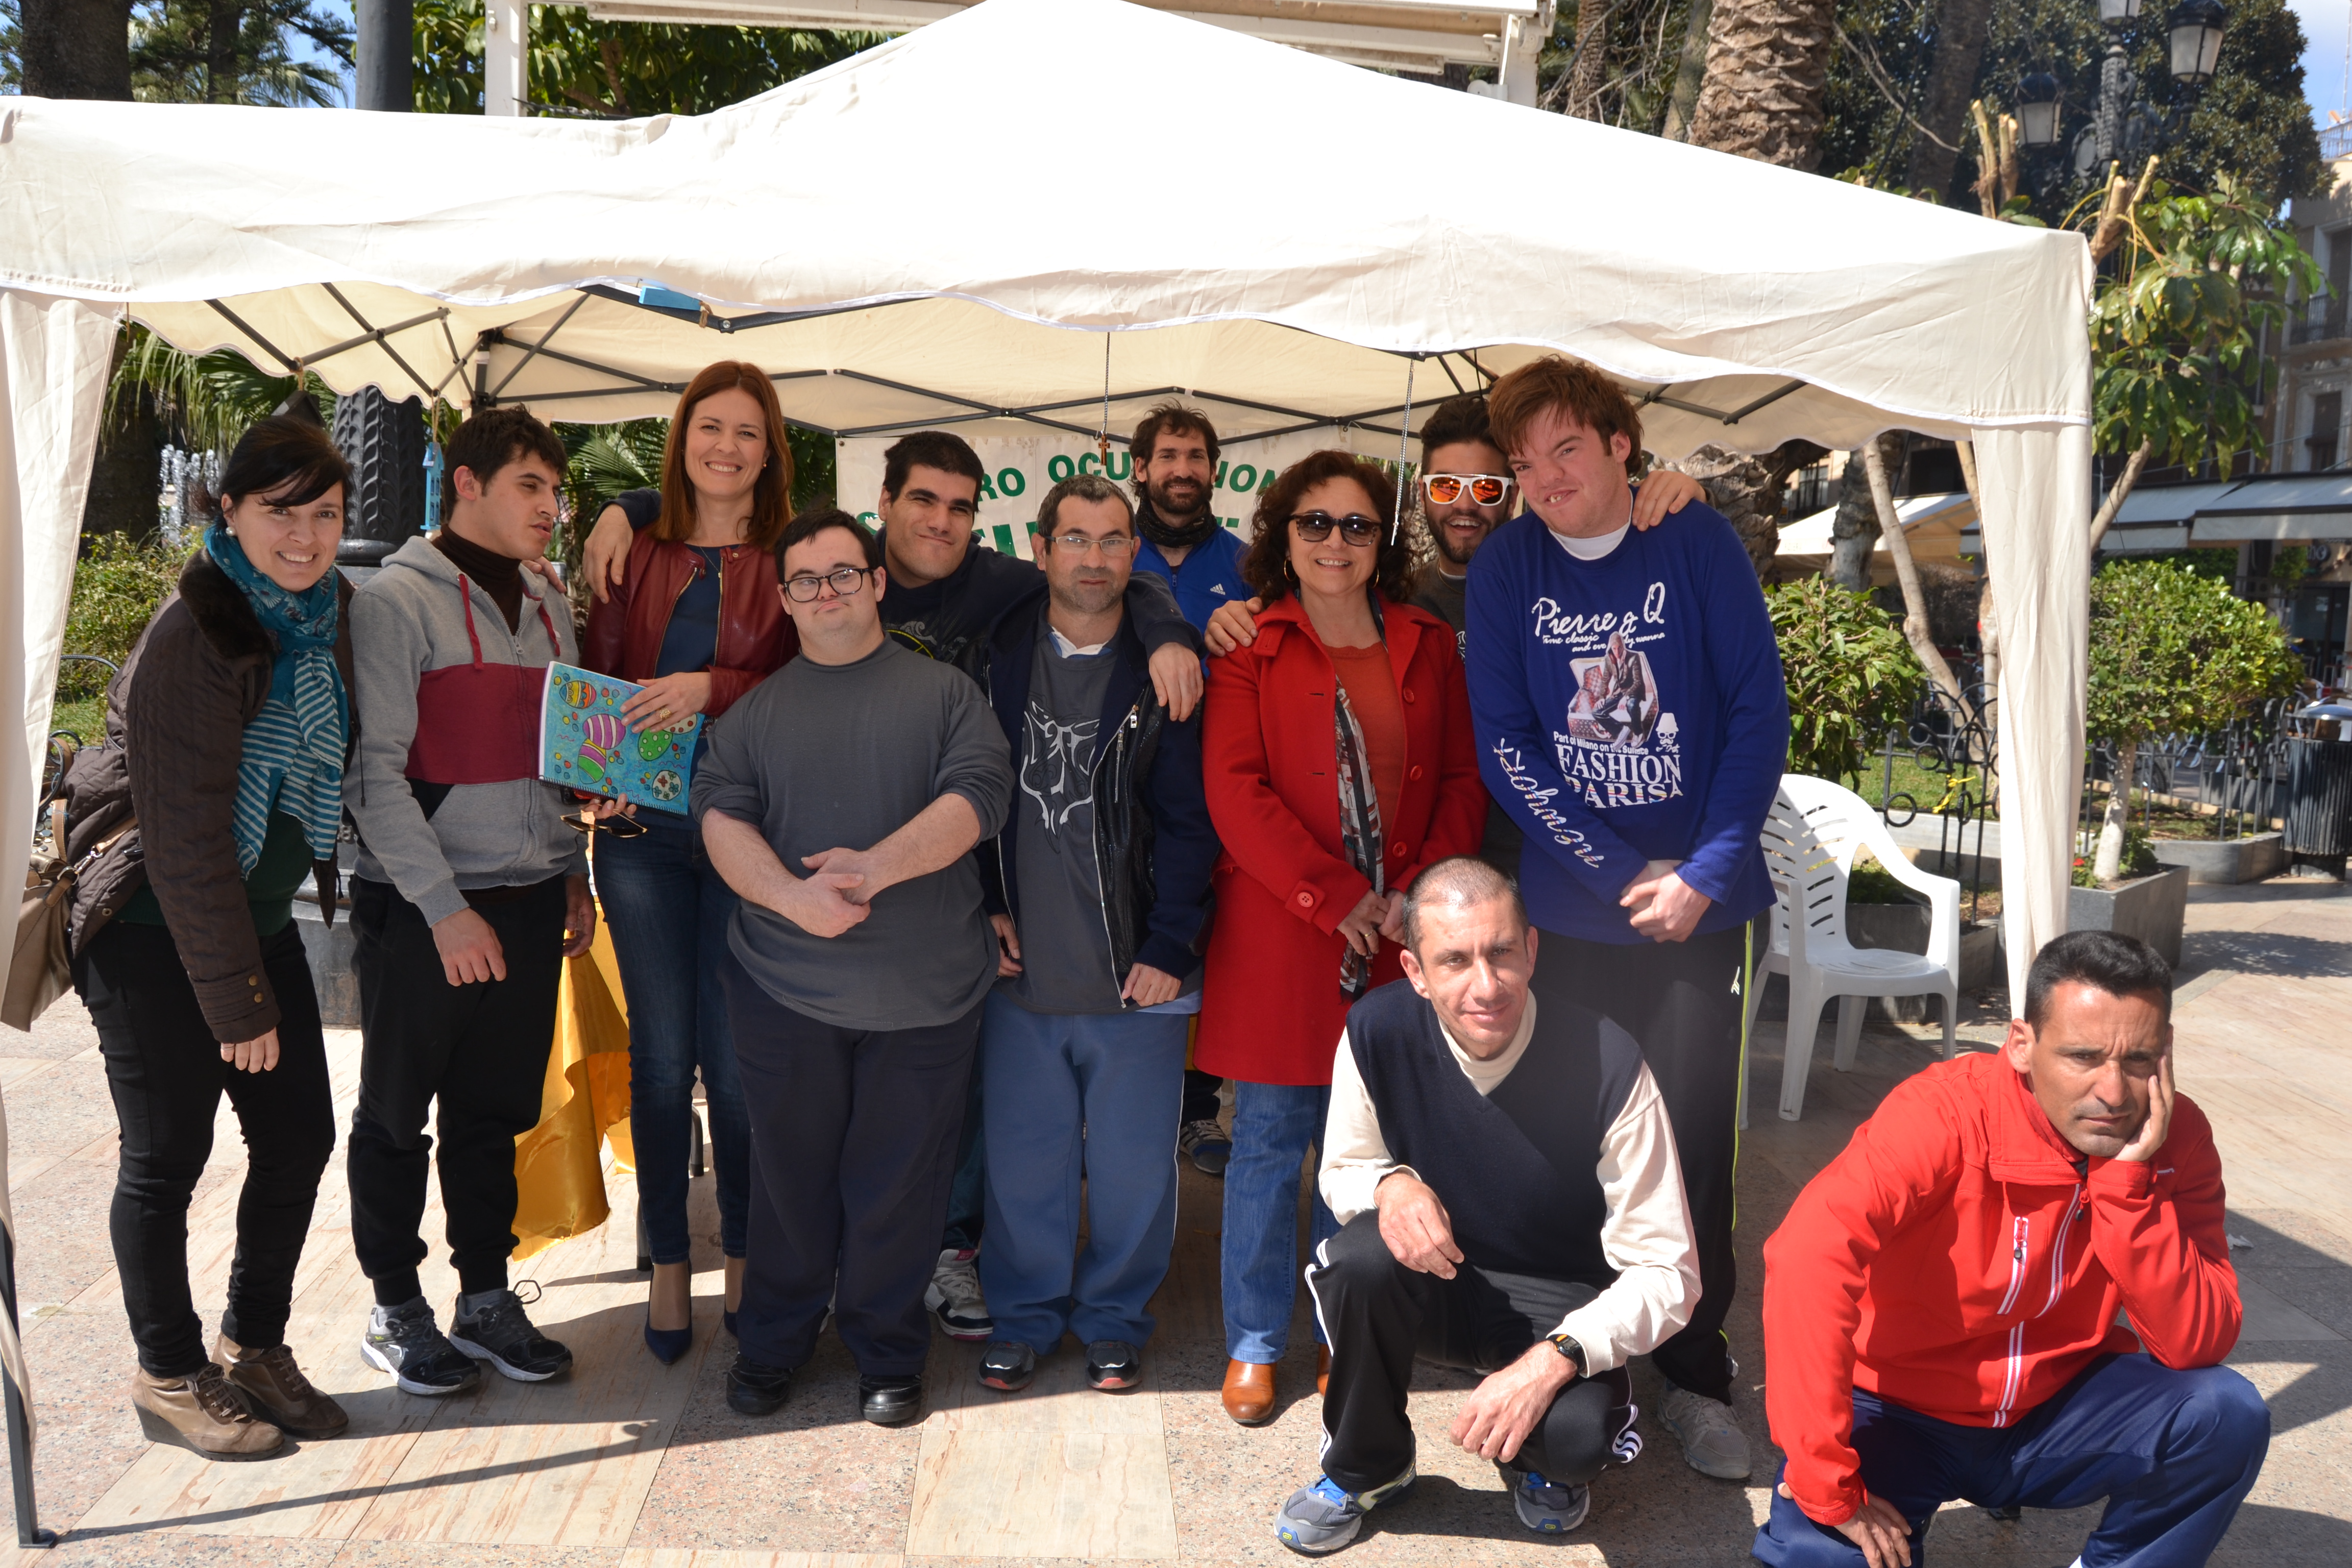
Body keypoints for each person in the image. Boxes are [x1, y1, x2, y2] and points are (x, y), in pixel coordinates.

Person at [583, 427, 1202, 1343]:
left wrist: (1169, 630)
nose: (941, 521)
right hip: (788, 910)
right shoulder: (815, 576)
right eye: (923, 500)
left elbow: (1101, 580)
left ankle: (933, 1274)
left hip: (937, 915)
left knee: (932, 1138)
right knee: (767, 1110)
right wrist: (626, 505)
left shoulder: (998, 591)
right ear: (881, 515)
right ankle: (770, 1288)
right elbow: (712, 519)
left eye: (960, 506)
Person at [1465, 355, 1789, 1481]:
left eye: (1566, 448)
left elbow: (1758, 708)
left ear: (1619, 446)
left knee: (1697, 1150)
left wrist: (1703, 869)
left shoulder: (1689, 539)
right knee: (1573, 1150)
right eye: (1524, 461)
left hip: (1705, 915)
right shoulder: (1506, 567)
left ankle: (1698, 1376)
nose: (1546, 477)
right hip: (1578, 913)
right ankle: (1580, 1368)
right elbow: (1508, 743)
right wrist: (1613, 873)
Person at [1754, 931, 2268, 1568]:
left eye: (2138, 1060)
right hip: (1897, 1410)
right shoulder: (1942, 1114)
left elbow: (2197, 1343)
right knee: (1821, 1558)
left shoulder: (2177, 1136)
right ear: (2021, 1046)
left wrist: (2127, 1191)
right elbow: (1808, 1262)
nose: (2113, 1092)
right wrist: (1827, 1483)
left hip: (2054, 1409)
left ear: (2166, 1053)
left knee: (2226, 1413)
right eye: (2083, 1056)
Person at [62, 414, 355, 1458]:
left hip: (254, 916)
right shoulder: (196, 633)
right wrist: (237, 1001)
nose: (307, 534)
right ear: (227, 509)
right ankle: (168, 1372)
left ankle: (253, 1345)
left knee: (296, 1138)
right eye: (282, 510)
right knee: (167, 1158)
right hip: (151, 929)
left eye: (325, 513)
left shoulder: (317, 616)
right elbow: (185, 841)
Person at [1274, 857, 1701, 1552]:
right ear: (1414, 971)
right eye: (1455, 961)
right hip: (1433, 1279)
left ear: (1532, 949)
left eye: (1502, 953)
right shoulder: (1376, 1031)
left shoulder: (1608, 1061)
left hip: (1558, 1299)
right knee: (1357, 1262)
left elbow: (1670, 1271)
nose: (1486, 985)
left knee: (1575, 1441)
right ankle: (1367, 1467)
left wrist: (1557, 1357)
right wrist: (1390, 1185)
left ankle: (1535, 1458)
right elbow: (1344, 1168)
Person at [694, 508, 1014, 1428]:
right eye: (806, 580)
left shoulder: (946, 694)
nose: (826, 591)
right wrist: (794, 900)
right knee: (788, 1178)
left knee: (899, 1183)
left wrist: (871, 868)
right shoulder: (755, 713)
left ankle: (886, 1347)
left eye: (844, 573)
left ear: (877, 582)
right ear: (785, 600)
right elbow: (720, 815)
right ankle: (774, 1343)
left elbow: (979, 796)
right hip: (785, 991)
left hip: (926, 994)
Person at [1198, 450, 1486, 1426]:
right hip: (1285, 928)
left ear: (1380, 542)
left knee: (1361, 1147)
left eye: (1355, 525)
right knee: (1271, 1142)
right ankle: (1249, 1341)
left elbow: (1458, 779)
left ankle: (1339, 1329)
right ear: (1283, 535)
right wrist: (1334, 897)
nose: (1334, 541)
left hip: (1398, 929)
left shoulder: (1425, 640)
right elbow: (1234, 791)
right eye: (1314, 523)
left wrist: (1412, 892)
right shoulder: (1247, 645)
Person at [345, 405, 598, 1396]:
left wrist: (573, 873)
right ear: (466, 485)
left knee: (496, 1113)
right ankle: (393, 1306)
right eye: (530, 485)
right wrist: (445, 910)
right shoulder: (395, 601)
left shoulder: (547, 601)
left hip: (533, 894)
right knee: (398, 1115)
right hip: (423, 909)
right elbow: (373, 777)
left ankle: (484, 1298)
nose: (550, 505)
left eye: (555, 488)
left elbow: (562, 752)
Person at [1202, 395, 1703, 883]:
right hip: (1447, 869)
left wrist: (1686, 497)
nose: (1464, 505)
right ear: (1421, 492)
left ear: (1515, 490)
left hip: (1572, 862)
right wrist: (1235, 615)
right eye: (1445, 487)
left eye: (1486, 488)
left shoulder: (1566, 585)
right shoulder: (1399, 610)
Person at [971, 473, 1218, 1395]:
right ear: (1040, 550)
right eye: (1073, 538)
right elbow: (959, 793)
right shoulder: (992, 655)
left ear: (1133, 556)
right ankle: (1026, 1316)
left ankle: (1115, 1318)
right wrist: (978, 904)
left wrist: (1171, 944)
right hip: (1020, 970)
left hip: (1135, 976)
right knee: (1023, 1167)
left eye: (1114, 540)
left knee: (1131, 1174)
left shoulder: (1168, 673)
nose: (1093, 557)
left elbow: (1195, 823)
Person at [579, 361, 800, 1365]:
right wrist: (600, 774)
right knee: (664, 1063)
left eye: (746, 432)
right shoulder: (637, 548)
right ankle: (670, 1260)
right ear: (682, 439)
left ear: (771, 450)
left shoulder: (797, 555)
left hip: (752, 835)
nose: (726, 447)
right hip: (642, 839)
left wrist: (714, 683)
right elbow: (598, 672)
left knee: (744, 1064)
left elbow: (810, 681)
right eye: (709, 427)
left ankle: (748, 1257)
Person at [1122, 402, 1249, 1179]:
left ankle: (1198, 1108)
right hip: (1115, 798)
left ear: (1214, 471)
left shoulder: (1249, 564)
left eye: (1197, 457)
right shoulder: (1105, 551)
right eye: (1168, 455)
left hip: (1221, 798)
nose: (1182, 470)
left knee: (1212, 950)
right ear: (1141, 468)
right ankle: (1116, 1114)